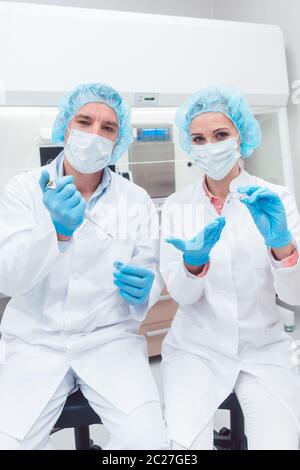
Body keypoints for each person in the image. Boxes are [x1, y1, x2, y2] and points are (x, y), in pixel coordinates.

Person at [0, 83, 167, 450]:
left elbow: (149, 270)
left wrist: (147, 287)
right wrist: (55, 233)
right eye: (85, 121)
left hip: (109, 339)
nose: (94, 134)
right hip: (35, 343)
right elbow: (9, 279)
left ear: (118, 139)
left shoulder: (135, 199)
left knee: (150, 443)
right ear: (65, 126)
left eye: (108, 128)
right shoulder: (24, 189)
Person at [160, 86, 300, 450]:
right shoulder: (177, 207)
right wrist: (192, 265)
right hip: (196, 349)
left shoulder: (277, 198)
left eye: (220, 135)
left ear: (242, 136)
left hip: (262, 347)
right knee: (184, 449)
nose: (210, 145)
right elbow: (180, 295)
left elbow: (294, 294)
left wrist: (282, 244)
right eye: (199, 138)